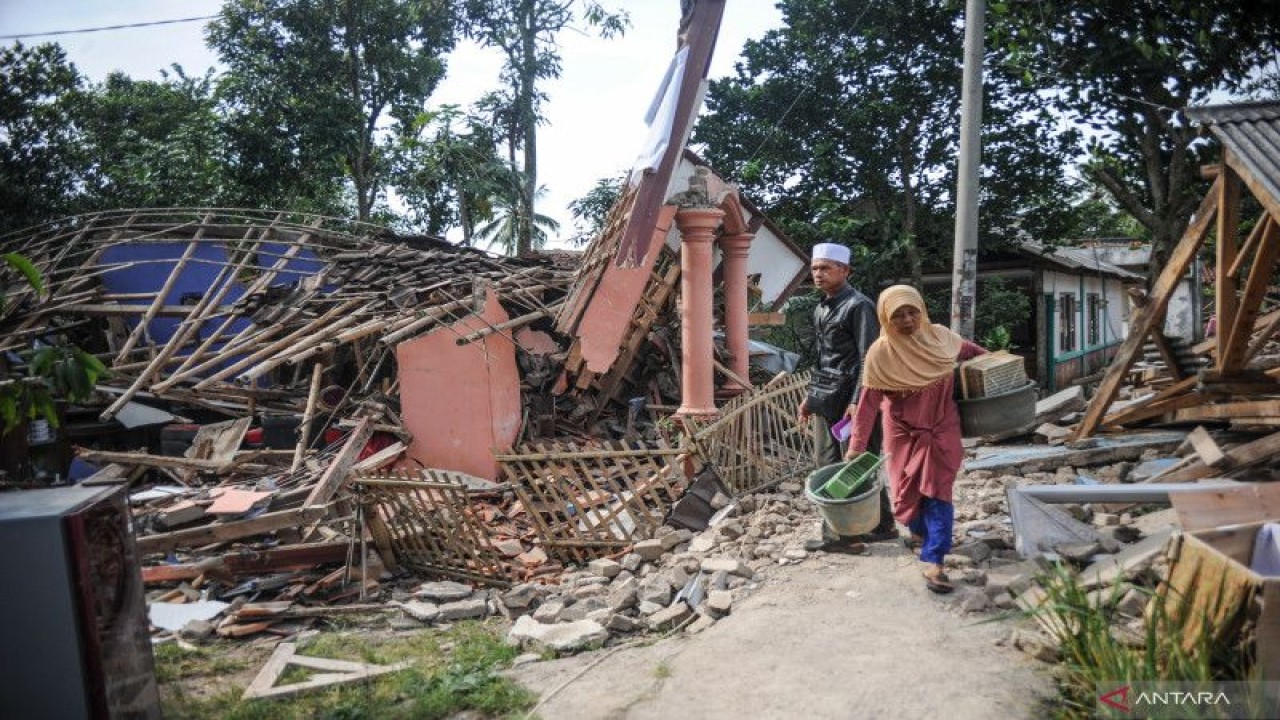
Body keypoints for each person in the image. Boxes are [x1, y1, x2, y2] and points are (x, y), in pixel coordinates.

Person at [846, 285, 987, 593]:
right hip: (902, 433)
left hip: (941, 428)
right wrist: (856, 447)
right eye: (898, 315)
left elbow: (977, 355)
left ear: (922, 311)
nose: (908, 320)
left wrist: (1006, 369)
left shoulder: (941, 338)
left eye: (913, 312)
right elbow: (868, 405)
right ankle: (920, 533)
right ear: (886, 318)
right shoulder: (880, 354)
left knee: (938, 491)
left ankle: (935, 561)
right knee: (904, 496)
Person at [796, 242, 896, 555]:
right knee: (836, 462)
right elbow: (824, 359)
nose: (818, 274)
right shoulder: (821, 307)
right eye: (814, 268)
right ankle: (881, 526)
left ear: (845, 270)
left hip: (855, 400)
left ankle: (843, 537)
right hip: (828, 397)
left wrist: (858, 400)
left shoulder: (859, 305)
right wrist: (810, 399)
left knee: (850, 465)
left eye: (825, 268)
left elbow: (870, 357)